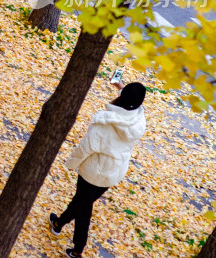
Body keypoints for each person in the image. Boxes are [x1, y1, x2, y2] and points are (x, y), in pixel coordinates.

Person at [49, 82, 147, 257]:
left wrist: (71, 164)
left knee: (83, 210)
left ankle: (78, 250)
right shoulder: (138, 119)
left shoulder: (104, 122)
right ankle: (58, 224)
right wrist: (121, 86)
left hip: (93, 173)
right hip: (113, 172)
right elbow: (132, 104)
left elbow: (85, 148)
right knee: (81, 201)